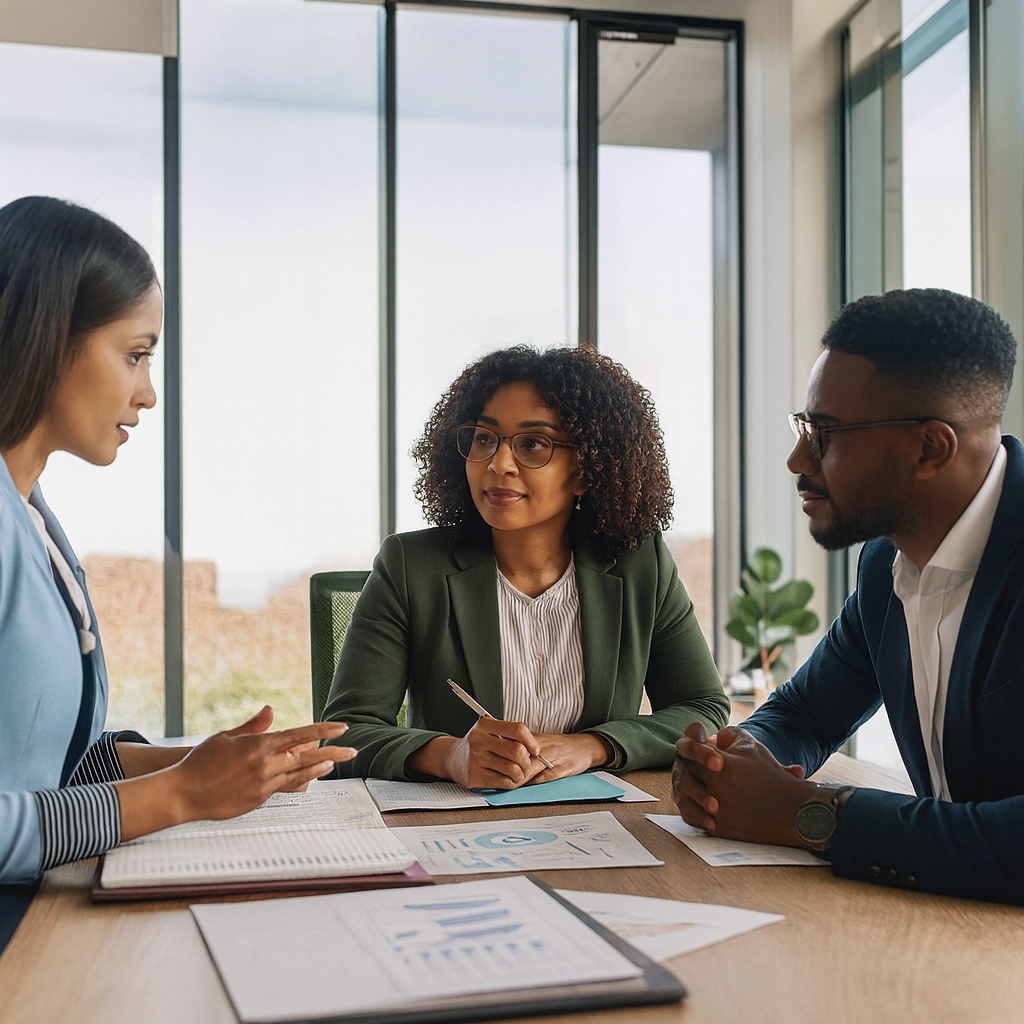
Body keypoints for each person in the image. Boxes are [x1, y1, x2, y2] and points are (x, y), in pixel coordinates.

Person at [0, 196, 356, 948]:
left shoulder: (32, 514)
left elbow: (50, 762)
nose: (148, 392)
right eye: (135, 354)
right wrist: (185, 793)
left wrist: (216, 760)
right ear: (48, 337)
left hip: (44, 919)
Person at [673, 287, 1024, 905]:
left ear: (929, 449)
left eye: (826, 434)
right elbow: (807, 713)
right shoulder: (886, 562)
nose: (796, 458)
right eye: (804, 426)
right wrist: (730, 763)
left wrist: (807, 814)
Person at [323, 345, 730, 788]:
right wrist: (450, 756)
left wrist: (595, 745)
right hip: (457, 829)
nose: (498, 464)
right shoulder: (409, 567)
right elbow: (342, 737)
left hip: (598, 826)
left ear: (586, 468)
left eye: (533, 444)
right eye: (484, 438)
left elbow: (703, 709)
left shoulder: (639, 566)